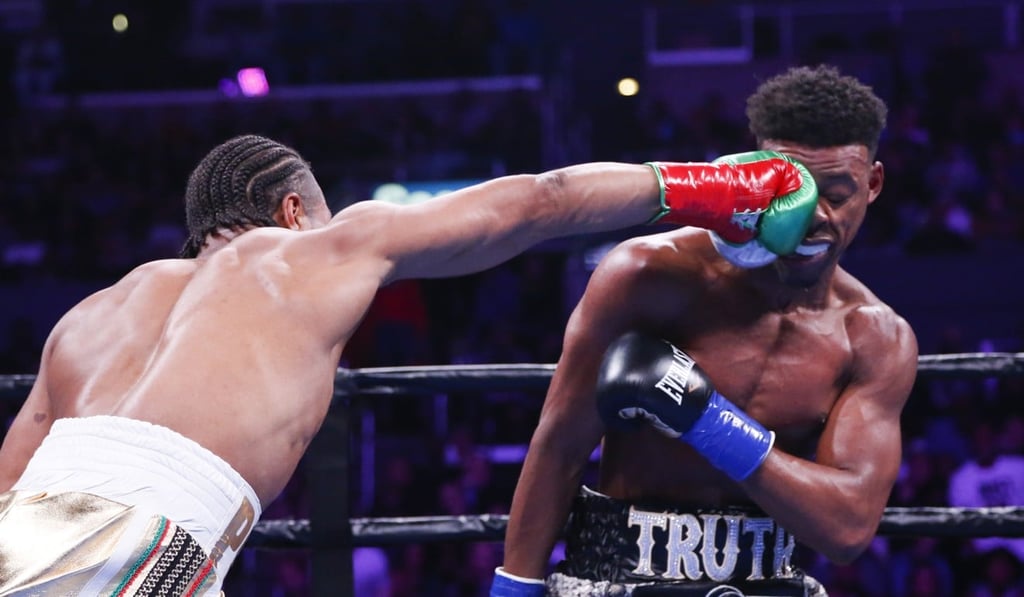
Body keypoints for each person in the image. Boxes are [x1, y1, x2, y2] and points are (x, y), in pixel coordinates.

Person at [0, 133, 816, 594]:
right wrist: (707, 186)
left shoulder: (94, 312)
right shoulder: (307, 252)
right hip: (141, 540)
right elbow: (535, 202)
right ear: (293, 211)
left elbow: (11, 483)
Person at [494, 64, 919, 597]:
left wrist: (706, 420)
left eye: (836, 194)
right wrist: (514, 590)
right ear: (756, 170)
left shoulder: (874, 337)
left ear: (873, 184)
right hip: (621, 576)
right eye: (795, 192)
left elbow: (848, 527)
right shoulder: (650, 276)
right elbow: (560, 445)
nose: (814, 217)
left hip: (769, 582)